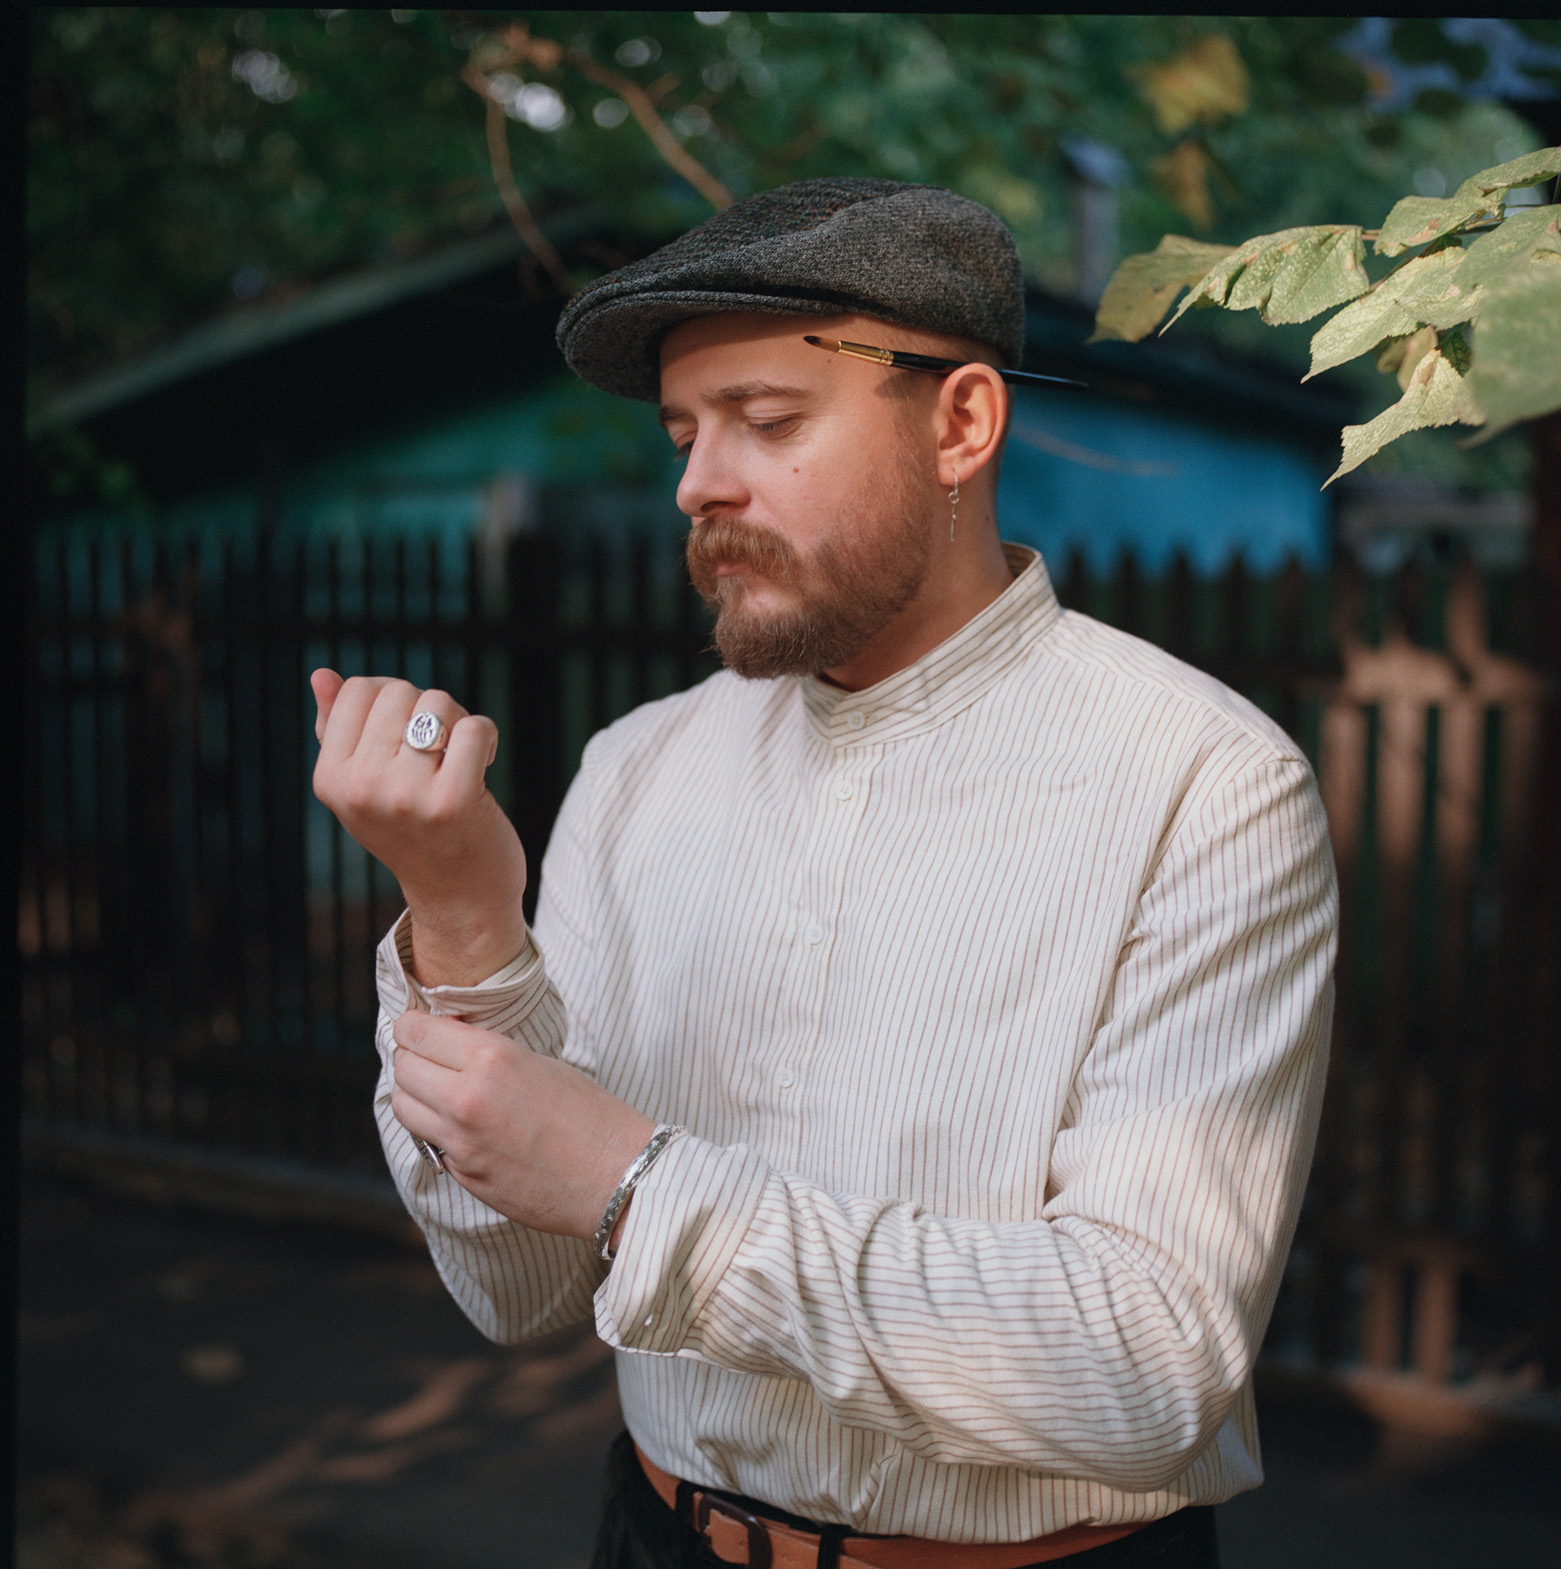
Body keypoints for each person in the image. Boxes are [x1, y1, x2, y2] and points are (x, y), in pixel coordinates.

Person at [309, 177, 1337, 1569]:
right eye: (685, 433)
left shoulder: (1203, 782)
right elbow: (521, 1289)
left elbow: (1146, 1366)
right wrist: (460, 914)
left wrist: (639, 1187)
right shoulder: (636, 767)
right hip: (651, 1536)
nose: (697, 483)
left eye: (769, 420)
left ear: (960, 423)